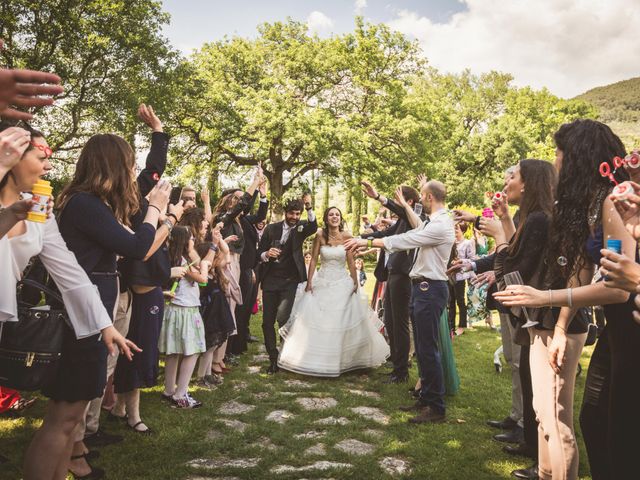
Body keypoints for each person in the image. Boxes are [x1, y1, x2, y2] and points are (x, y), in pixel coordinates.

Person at [1, 125, 144, 480]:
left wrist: (104, 324)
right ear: (12, 154)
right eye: (41, 155)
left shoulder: (39, 206)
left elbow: (69, 270)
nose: (49, 165)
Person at [495, 120, 636, 480]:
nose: (556, 162)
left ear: (577, 157)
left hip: (629, 329)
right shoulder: (589, 207)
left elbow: (620, 286)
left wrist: (544, 296)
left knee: (617, 432)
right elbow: (582, 272)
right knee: (592, 417)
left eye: (559, 154)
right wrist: (559, 327)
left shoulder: (612, 200)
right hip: (610, 332)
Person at [345, 180, 455, 424]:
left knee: (427, 349)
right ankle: (426, 398)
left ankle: (436, 407)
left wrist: (367, 241)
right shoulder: (435, 222)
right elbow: (416, 228)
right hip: (422, 287)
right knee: (426, 349)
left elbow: (405, 240)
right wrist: (403, 204)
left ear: (427, 198)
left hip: (430, 289)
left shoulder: (442, 224)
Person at [109, 105, 180, 435]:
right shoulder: (125, 201)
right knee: (135, 349)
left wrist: (158, 130)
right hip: (133, 285)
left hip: (145, 285)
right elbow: (141, 250)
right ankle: (128, 412)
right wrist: (167, 218)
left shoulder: (137, 195)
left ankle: (120, 407)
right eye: (130, 167)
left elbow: (154, 167)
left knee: (133, 350)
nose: (139, 173)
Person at [277, 207, 389, 376]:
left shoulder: (347, 236)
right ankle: (315, 360)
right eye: (331, 214)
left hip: (341, 282)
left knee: (342, 320)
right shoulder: (320, 235)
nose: (334, 217)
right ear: (326, 218)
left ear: (340, 217)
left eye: (337, 214)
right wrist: (309, 282)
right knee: (318, 319)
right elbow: (314, 259)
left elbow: (351, 262)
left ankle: (346, 360)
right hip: (322, 281)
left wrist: (355, 282)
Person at [361, 178, 425, 384]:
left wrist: (379, 196)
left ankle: (401, 371)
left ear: (409, 202)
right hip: (392, 275)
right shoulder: (401, 222)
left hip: (404, 276)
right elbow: (384, 233)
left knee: (399, 323)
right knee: (389, 320)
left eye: (400, 199)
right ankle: (396, 362)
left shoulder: (413, 217)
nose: (397, 204)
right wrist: (359, 238)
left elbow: (403, 208)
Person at [258, 195, 317, 374]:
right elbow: (259, 252)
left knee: (283, 318)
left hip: (290, 280)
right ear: (286, 213)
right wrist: (267, 254)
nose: (295, 217)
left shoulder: (300, 228)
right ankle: (273, 358)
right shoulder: (271, 228)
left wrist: (308, 206)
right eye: (292, 213)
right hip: (270, 279)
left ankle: (286, 353)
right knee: (267, 322)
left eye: (298, 214)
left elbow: (313, 226)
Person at [159, 226, 210, 408]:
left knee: (173, 351)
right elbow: (203, 279)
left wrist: (190, 250)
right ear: (185, 241)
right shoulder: (183, 263)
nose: (194, 241)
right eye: (191, 239)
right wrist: (204, 265)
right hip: (186, 311)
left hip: (174, 309)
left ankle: (168, 390)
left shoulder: (173, 258)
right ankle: (181, 393)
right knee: (193, 350)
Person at [449, 222, 474, 335]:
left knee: (460, 301)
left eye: (457, 229)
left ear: (463, 231)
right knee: (451, 302)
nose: (455, 231)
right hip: (450, 275)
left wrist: (461, 262)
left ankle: (462, 326)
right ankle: (451, 327)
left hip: (461, 276)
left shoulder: (467, 243)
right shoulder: (451, 242)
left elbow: (472, 259)